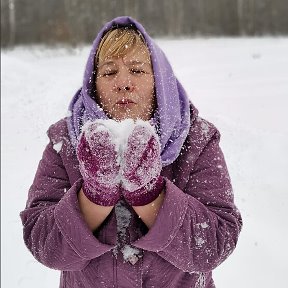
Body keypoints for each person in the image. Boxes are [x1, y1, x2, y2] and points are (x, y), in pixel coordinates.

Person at [20, 16, 242, 287]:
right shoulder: (65, 140)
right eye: (109, 72)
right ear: (94, 85)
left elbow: (216, 243)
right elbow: (43, 243)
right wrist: (95, 197)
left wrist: (149, 195)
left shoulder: (197, 139)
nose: (123, 83)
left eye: (137, 70)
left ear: (159, 80)